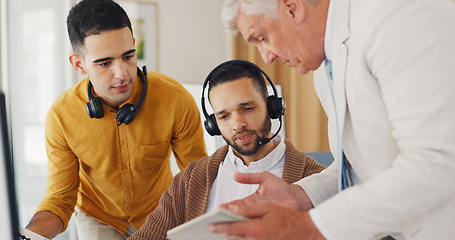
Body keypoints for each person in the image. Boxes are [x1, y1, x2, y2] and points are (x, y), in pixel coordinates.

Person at [209, 0, 455, 239]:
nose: (266, 58)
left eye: (262, 38)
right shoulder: (325, 65)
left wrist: (313, 226)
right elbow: (356, 166)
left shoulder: (396, 16)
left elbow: (437, 159)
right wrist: (300, 195)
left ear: (292, 8)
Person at [24, 0, 207, 239]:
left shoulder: (176, 99)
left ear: (133, 45)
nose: (122, 74)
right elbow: (60, 199)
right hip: (97, 216)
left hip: (160, 213)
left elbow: (199, 178)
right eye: (105, 62)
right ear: (79, 64)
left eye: (128, 56)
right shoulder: (61, 117)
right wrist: (28, 236)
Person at [127, 60, 326, 240]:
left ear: (272, 106)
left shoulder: (316, 179)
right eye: (224, 116)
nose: (237, 125)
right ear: (214, 125)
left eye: (247, 109)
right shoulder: (189, 180)